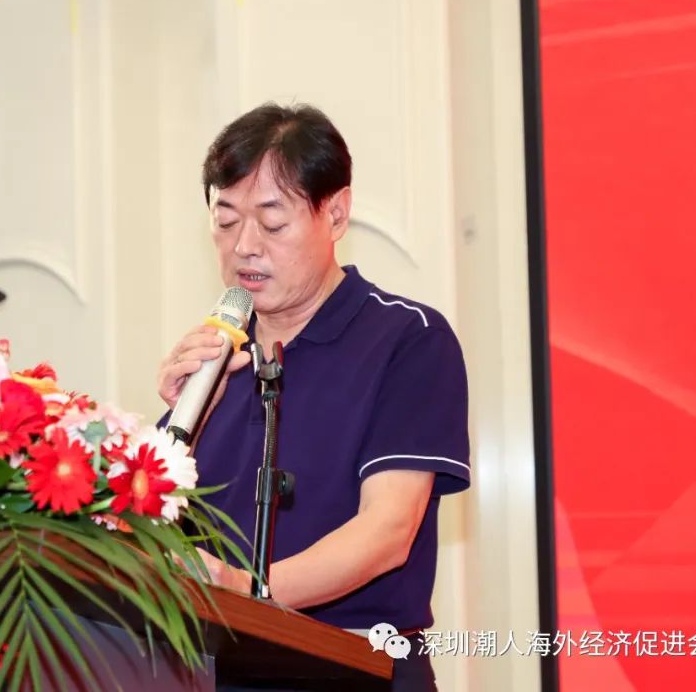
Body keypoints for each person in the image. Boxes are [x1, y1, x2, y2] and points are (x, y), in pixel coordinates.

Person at [157, 103, 470, 691]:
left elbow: (387, 532)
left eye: (272, 223)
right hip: (212, 672)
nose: (244, 246)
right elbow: (150, 540)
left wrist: (242, 590)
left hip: (354, 670)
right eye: (225, 221)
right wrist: (171, 435)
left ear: (336, 213)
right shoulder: (215, 360)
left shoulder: (405, 339)